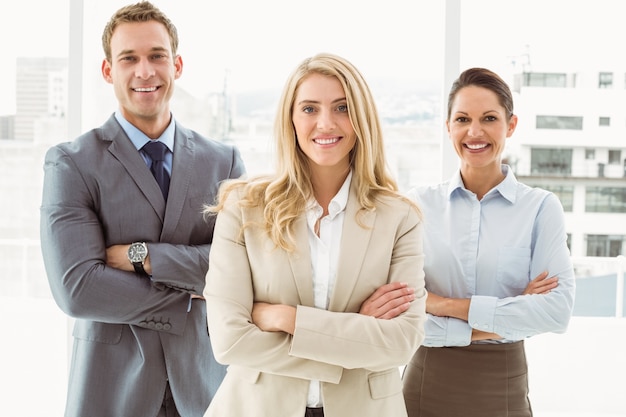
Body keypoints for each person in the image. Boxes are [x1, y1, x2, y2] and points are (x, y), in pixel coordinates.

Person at [39, 2, 245, 416]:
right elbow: (78, 288)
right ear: (108, 71)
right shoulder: (72, 161)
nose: (145, 71)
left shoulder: (223, 161)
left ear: (178, 65)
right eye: (128, 58)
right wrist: (191, 299)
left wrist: (145, 257)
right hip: (112, 389)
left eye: (156, 56)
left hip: (206, 386)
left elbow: (241, 268)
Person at [201, 52, 427, 417]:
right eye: (309, 109)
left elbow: (401, 344)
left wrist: (287, 319)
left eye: (341, 107)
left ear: (361, 119)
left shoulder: (400, 217)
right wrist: (354, 336)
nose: (325, 123)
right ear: (290, 119)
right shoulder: (243, 207)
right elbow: (229, 341)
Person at [401, 67, 576, 417]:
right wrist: (506, 316)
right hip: (425, 386)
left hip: (504, 388)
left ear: (510, 125)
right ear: (448, 126)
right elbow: (400, 315)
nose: (474, 131)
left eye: (489, 118)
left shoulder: (540, 208)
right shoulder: (418, 205)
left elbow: (556, 312)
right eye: (462, 119)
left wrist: (443, 304)